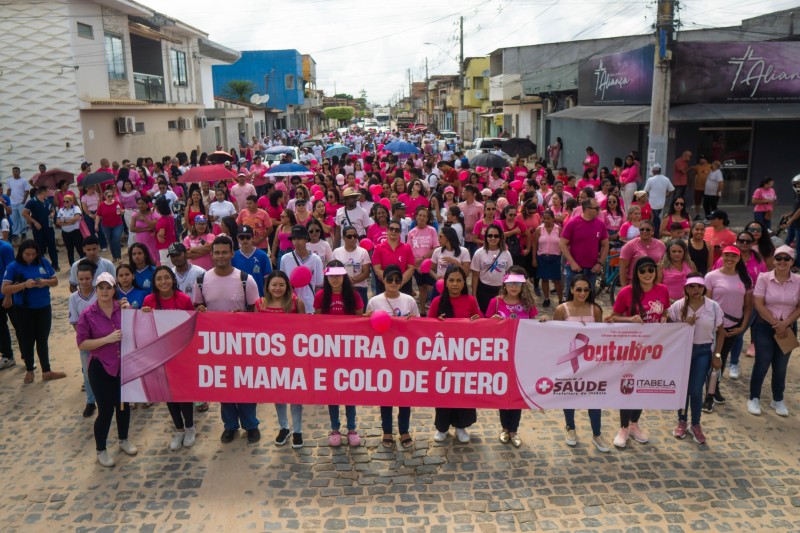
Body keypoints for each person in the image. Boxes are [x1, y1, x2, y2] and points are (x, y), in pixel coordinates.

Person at [193, 236, 261, 444]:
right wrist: (200, 310)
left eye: (224, 252)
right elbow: (197, 308)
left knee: (245, 385)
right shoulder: (201, 280)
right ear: (211, 255)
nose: (221, 256)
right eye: (217, 252)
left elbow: (256, 311)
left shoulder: (245, 279)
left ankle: (251, 425)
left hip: (242, 343)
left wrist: (244, 317)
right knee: (223, 386)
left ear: (232, 253)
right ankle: (229, 425)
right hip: (215, 345)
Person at [75, 272, 137, 467]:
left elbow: (136, 332)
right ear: (96, 290)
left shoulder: (122, 309)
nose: (104, 291)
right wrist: (107, 339)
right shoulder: (88, 314)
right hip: (100, 368)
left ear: (114, 289)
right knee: (106, 411)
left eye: (108, 287)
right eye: (100, 287)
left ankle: (123, 439)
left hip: (123, 366)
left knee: (123, 405)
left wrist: (131, 313)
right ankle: (101, 449)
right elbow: (82, 343)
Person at [608, 256, 669, 448]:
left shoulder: (663, 290)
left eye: (650, 270)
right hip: (631, 348)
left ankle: (634, 423)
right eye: (642, 271)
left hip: (653, 348)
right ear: (636, 273)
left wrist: (665, 318)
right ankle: (623, 427)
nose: (647, 274)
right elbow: (612, 318)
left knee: (643, 386)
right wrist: (629, 319)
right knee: (628, 387)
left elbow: (665, 311)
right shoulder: (626, 292)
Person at [544, 275, 608, 452]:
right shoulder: (561, 309)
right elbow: (554, 335)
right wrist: (545, 323)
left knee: (594, 396)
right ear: (571, 289)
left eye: (586, 290)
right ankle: (570, 427)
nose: (582, 293)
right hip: (569, 361)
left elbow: (600, 335)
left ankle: (597, 433)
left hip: (590, 362)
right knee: (569, 394)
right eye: (578, 289)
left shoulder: (595, 309)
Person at [141, 266, 197, 450]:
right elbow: (144, 327)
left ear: (173, 280)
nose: (163, 282)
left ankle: (190, 427)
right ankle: (179, 429)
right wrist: (144, 315)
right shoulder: (149, 300)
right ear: (154, 282)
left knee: (182, 393)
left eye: (166, 278)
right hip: (161, 355)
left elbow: (193, 324)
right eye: (159, 279)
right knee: (168, 394)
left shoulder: (184, 299)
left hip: (181, 353)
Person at [365, 264, 419, 448]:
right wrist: (367, 317)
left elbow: (420, 326)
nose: (393, 283)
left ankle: (404, 430)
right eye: (390, 279)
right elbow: (368, 328)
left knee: (404, 394)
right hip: (383, 355)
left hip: (405, 355)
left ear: (402, 282)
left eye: (397, 279)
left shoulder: (409, 300)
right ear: (383, 280)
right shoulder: (374, 302)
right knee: (386, 395)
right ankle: (387, 430)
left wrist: (413, 321)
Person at [668, 274, 724, 445]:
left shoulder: (712, 306)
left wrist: (717, 355)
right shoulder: (678, 306)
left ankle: (696, 423)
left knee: (696, 389)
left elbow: (721, 332)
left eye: (699, 286)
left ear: (704, 288)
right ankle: (682, 420)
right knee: (683, 388)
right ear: (685, 288)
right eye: (691, 286)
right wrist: (684, 325)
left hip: (703, 351)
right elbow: (668, 329)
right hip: (683, 351)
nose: (695, 289)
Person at [428, 265, 481, 443]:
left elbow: (481, 322)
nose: (455, 284)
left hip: (465, 356)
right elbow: (425, 327)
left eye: (459, 280)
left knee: (462, 392)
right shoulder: (437, 302)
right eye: (451, 280)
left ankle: (461, 426)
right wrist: (437, 323)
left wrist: (476, 320)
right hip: (443, 356)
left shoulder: (470, 300)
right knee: (443, 392)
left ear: (464, 282)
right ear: (445, 282)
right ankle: (442, 428)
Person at [2, 239, 65, 384]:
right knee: (27, 339)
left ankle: (46, 371)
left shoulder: (43, 262)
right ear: (21, 253)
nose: (30, 257)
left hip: (43, 307)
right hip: (24, 309)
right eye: (27, 254)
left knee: (42, 339)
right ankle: (29, 369)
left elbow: (55, 280)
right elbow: (4, 289)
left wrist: (45, 282)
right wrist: (24, 285)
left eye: (33, 254)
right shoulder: (13, 266)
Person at [314, 262, 363, 447]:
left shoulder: (354, 296)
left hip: (349, 351)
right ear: (326, 277)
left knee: (349, 391)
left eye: (338, 275)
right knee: (332, 392)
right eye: (331, 276)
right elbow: (318, 322)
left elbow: (359, 321)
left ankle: (351, 428)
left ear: (344, 276)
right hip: (329, 351)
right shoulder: (320, 296)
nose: (335, 279)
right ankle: (334, 428)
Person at [486, 267, 537, 448]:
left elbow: (534, 327)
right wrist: (491, 322)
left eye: (517, 283)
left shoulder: (528, 304)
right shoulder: (495, 302)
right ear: (505, 284)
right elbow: (485, 327)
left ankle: (514, 430)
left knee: (516, 394)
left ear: (523, 285)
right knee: (503, 391)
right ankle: (504, 429)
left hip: (521, 354)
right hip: (501, 354)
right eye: (510, 283)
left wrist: (544, 321)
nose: (513, 287)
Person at [748, 245, 800, 417]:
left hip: (788, 327)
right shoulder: (764, 278)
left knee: (781, 365)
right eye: (779, 258)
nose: (782, 262)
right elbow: (758, 303)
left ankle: (778, 399)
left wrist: (786, 324)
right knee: (762, 362)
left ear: (792, 261)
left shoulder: (798, 281)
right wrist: (776, 323)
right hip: (765, 325)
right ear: (774, 260)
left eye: (786, 259)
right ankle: (754, 397)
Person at [256, 271, 306, 448]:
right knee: (278, 393)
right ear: (268, 286)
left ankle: (298, 430)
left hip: (293, 356)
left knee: (295, 394)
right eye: (274, 284)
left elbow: (304, 329)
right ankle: (283, 427)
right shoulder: (260, 304)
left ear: (287, 286)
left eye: (281, 285)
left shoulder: (296, 303)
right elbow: (254, 329)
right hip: (271, 357)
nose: (277, 288)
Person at [68, 260, 98, 418]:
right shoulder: (74, 298)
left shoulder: (100, 293)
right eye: (81, 279)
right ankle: (90, 401)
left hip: (103, 340)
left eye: (87, 278)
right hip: (85, 342)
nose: (84, 282)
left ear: (93, 277)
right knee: (87, 373)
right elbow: (75, 322)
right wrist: (84, 339)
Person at [560, 197, 609, 289]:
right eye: (596, 208)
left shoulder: (600, 224)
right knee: (572, 295)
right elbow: (562, 243)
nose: (599, 210)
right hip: (574, 268)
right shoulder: (573, 223)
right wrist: (572, 262)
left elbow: (605, 245)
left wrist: (600, 263)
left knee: (589, 295)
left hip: (592, 269)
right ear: (587, 210)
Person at [279, 225, 324, 313]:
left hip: (310, 304)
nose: (296, 242)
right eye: (294, 238)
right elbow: (282, 282)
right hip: (291, 304)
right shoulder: (285, 259)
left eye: (300, 238)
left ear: (306, 239)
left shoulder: (316, 259)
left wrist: (318, 306)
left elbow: (318, 286)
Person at [471, 223, 513, 314]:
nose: (493, 238)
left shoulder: (506, 253)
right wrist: (474, 295)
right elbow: (475, 276)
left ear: (500, 237)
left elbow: (509, 274)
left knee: (500, 315)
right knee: (486, 315)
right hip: (483, 290)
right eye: (490, 235)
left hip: (501, 290)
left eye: (496, 236)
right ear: (486, 237)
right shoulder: (479, 253)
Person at [372, 220, 416, 296]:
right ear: (387, 230)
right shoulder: (378, 248)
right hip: (384, 285)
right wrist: (389, 282)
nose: (394, 231)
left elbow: (411, 267)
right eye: (391, 229)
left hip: (403, 285)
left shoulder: (407, 248)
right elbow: (377, 269)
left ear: (400, 232)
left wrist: (400, 282)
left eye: (397, 230)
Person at [408, 206, 438, 312]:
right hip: (417, 266)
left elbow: (435, 247)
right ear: (416, 217)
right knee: (421, 288)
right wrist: (416, 265)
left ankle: (434, 310)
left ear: (427, 218)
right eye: (420, 215)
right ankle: (423, 311)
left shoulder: (432, 230)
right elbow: (409, 250)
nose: (421, 218)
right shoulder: (411, 232)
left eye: (424, 216)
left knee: (432, 287)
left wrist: (423, 259)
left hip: (429, 264)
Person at [23, 185, 60, 270]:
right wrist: (34, 222)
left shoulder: (47, 200)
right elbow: (24, 213)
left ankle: (55, 265)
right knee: (39, 247)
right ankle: (41, 265)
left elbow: (52, 209)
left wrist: (52, 213)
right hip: (38, 228)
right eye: (48, 191)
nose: (49, 193)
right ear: (43, 192)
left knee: (52, 246)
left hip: (49, 227)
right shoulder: (32, 202)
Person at [619, 221, 666, 286]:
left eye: (648, 229)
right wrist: (624, 287)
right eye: (642, 229)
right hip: (635, 284)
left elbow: (663, 266)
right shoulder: (630, 245)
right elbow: (623, 268)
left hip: (654, 284)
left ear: (653, 231)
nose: (644, 231)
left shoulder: (661, 245)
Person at [532, 210, 562, 307]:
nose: (546, 220)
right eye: (544, 218)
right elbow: (535, 244)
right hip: (542, 257)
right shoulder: (539, 229)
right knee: (544, 279)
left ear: (553, 218)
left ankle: (561, 299)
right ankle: (546, 298)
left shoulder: (558, 229)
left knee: (557, 280)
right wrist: (534, 258)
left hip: (556, 258)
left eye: (548, 218)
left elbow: (563, 244)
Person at [232, 225, 272, 298]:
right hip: (239, 297)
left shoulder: (262, 255)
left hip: (258, 296)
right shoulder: (233, 257)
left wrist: (267, 296)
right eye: (242, 238)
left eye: (248, 237)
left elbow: (267, 278)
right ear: (238, 238)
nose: (245, 240)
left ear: (252, 237)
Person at [93, 188, 124, 263]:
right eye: (109, 196)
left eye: (112, 196)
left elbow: (122, 212)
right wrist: (96, 224)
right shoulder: (102, 205)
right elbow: (98, 215)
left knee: (116, 239)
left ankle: (119, 256)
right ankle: (114, 257)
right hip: (106, 226)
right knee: (110, 241)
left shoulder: (116, 203)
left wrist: (121, 211)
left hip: (117, 224)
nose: (110, 197)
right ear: (105, 197)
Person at [643, 164, 674, 237]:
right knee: (655, 217)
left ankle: (656, 232)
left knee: (655, 218)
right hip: (661, 203)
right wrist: (666, 195)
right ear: (660, 170)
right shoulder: (666, 179)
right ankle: (655, 232)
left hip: (652, 202)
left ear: (653, 171)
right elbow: (672, 190)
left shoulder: (650, 179)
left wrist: (647, 198)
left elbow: (645, 191)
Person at [56, 194, 84, 266]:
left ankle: (84, 261)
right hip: (65, 233)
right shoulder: (61, 210)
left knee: (79, 247)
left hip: (75, 232)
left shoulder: (76, 208)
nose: (65, 203)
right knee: (69, 249)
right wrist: (69, 222)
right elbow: (58, 222)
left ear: (71, 201)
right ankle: (72, 264)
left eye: (67, 201)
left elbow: (76, 218)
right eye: (64, 201)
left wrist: (64, 222)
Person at [457, 185, 484, 255]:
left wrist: (473, 227)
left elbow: (482, 221)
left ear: (469, 192)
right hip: (462, 238)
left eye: (463, 192)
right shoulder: (460, 206)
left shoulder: (480, 206)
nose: (461, 194)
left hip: (474, 238)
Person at [6, 166, 31, 240]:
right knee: (14, 218)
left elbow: (27, 191)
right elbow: (9, 190)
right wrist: (7, 200)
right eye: (13, 171)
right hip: (12, 203)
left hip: (21, 203)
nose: (15, 172)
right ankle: (15, 233)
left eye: (16, 171)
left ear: (19, 172)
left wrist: (23, 201)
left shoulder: (24, 180)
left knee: (23, 218)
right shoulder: (9, 180)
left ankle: (23, 232)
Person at [154, 197, 176, 267]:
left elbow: (161, 233)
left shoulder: (162, 220)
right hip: (171, 242)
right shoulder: (170, 217)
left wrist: (157, 234)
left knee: (166, 265)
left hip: (164, 245)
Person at [691, 156, 711, 220]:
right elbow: (693, 175)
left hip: (707, 188)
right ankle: (697, 215)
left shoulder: (710, 166)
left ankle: (708, 215)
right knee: (697, 202)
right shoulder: (697, 166)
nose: (700, 160)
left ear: (706, 159)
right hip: (698, 188)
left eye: (702, 159)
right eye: (700, 159)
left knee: (707, 202)